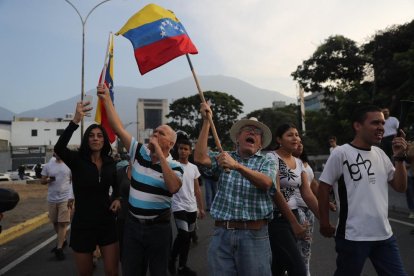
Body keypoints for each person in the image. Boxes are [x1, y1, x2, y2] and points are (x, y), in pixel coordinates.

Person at [97, 83, 183, 276]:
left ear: (170, 143)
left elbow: (174, 187)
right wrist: (107, 100)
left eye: (161, 133)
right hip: (133, 226)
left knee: (158, 271)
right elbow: (118, 129)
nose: (155, 134)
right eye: (155, 131)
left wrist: (160, 155)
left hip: (158, 230)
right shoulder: (140, 152)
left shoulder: (175, 166)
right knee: (131, 270)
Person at [318, 105, 408, 276]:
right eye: (375, 123)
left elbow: (400, 187)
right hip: (353, 237)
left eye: (382, 123)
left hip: (384, 235)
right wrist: (324, 222)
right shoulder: (341, 153)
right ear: (357, 126)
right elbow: (323, 187)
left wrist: (399, 158)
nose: (381, 127)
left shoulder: (381, 154)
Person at [194, 103, 276, 276]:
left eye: (257, 132)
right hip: (222, 234)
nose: (252, 132)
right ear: (238, 137)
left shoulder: (266, 160)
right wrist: (207, 122)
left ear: (260, 143)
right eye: (247, 129)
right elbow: (200, 158)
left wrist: (237, 166)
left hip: (255, 236)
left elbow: (267, 183)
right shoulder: (225, 157)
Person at [54, 100, 121, 276]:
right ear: (86, 139)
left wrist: (117, 198)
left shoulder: (110, 163)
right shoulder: (76, 160)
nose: (96, 138)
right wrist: (75, 120)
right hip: (83, 224)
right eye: (91, 135)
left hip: (107, 223)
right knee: (85, 273)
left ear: (104, 139)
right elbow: (59, 148)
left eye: (99, 135)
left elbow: (117, 187)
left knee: (112, 272)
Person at [267, 123, 319, 276]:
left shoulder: (298, 162)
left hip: (295, 215)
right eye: (290, 135)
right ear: (279, 139)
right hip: (277, 219)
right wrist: (294, 223)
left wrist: (324, 220)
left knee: (279, 265)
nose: (295, 138)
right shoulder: (271, 158)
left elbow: (307, 193)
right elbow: (275, 191)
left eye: (296, 134)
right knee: (298, 268)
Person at [169, 139, 205, 275]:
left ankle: (182, 267)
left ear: (190, 151)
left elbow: (197, 189)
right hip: (178, 206)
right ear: (177, 150)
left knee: (188, 238)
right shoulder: (172, 165)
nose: (182, 151)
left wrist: (201, 208)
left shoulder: (193, 168)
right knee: (183, 235)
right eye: (180, 148)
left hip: (191, 207)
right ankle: (171, 259)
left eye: (185, 149)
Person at [40, 153, 73, 260]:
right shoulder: (48, 165)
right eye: (56, 151)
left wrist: (71, 197)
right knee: (55, 222)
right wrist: (48, 180)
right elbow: (42, 181)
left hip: (65, 198)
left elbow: (73, 182)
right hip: (51, 198)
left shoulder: (69, 165)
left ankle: (59, 248)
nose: (58, 153)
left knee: (62, 223)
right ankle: (62, 240)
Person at [406, 143, 414, 219]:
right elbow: (406, 164)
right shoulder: (409, 149)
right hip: (409, 175)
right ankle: (412, 211)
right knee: (410, 194)